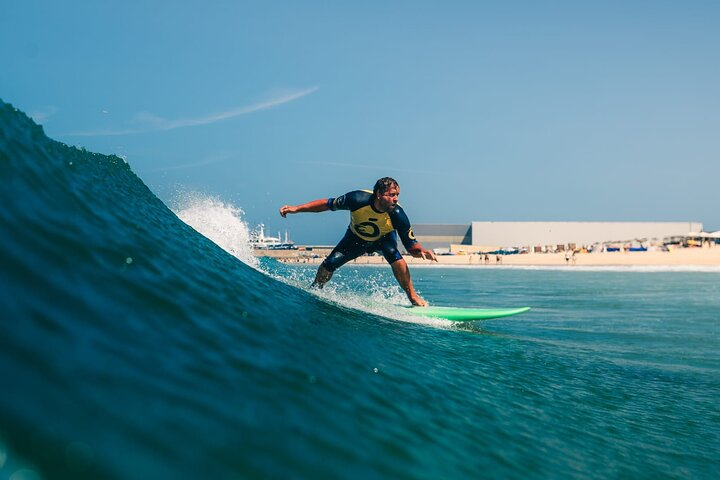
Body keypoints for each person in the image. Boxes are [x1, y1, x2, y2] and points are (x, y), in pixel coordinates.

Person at [279, 177, 437, 306]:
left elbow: (411, 246)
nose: (395, 199)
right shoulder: (356, 199)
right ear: (378, 194)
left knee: (397, 259)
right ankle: (315, 289)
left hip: (383, 240)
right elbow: (326, 204)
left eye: (397, 195)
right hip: (355, 238)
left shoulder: (398, 214)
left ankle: (413, 296)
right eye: (391, 195)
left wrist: (422, 251)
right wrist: (296, 209)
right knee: (328, 264)